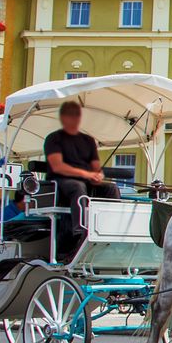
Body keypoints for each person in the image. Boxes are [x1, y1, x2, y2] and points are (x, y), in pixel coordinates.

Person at [44, 101, 120, 250]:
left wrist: (98, 176)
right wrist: (86, 174)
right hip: (62, 181)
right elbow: (58, 166)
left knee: (112, 189)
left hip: (87, 181)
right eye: (70, 115)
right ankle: (79, 230)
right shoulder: (54, 139)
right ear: (63, 118)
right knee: (78, 187)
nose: (74, 119)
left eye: (76, 115)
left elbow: (96, 167)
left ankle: (111, 228)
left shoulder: (88, 140)